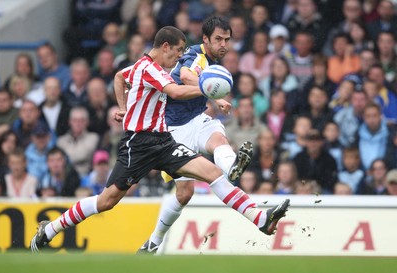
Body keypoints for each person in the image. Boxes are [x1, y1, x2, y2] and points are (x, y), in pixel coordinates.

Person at [31, 26, 290, 253]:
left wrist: (123, 106)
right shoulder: (150, 69)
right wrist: (206, 88)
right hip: (139, 145)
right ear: (165, 47)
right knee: (106, 201)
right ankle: (51, 229)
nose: (179, 57)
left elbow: (119, 76)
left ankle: (260, 218)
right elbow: (175, 91)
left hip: (164, 142)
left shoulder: (142, 68)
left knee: (213, 173)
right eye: (177, 51)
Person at [139, 16, 257, 254]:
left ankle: (232, 167)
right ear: (206, 39)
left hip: (197, 119)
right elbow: (185, 76)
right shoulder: (195, 55)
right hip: (174, 129)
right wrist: (215, 96)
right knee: (184, 193)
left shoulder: (212, 59)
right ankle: (154, 242)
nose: (223, 44)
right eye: (218, 39)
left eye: (227, 39)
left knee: (219, 139)